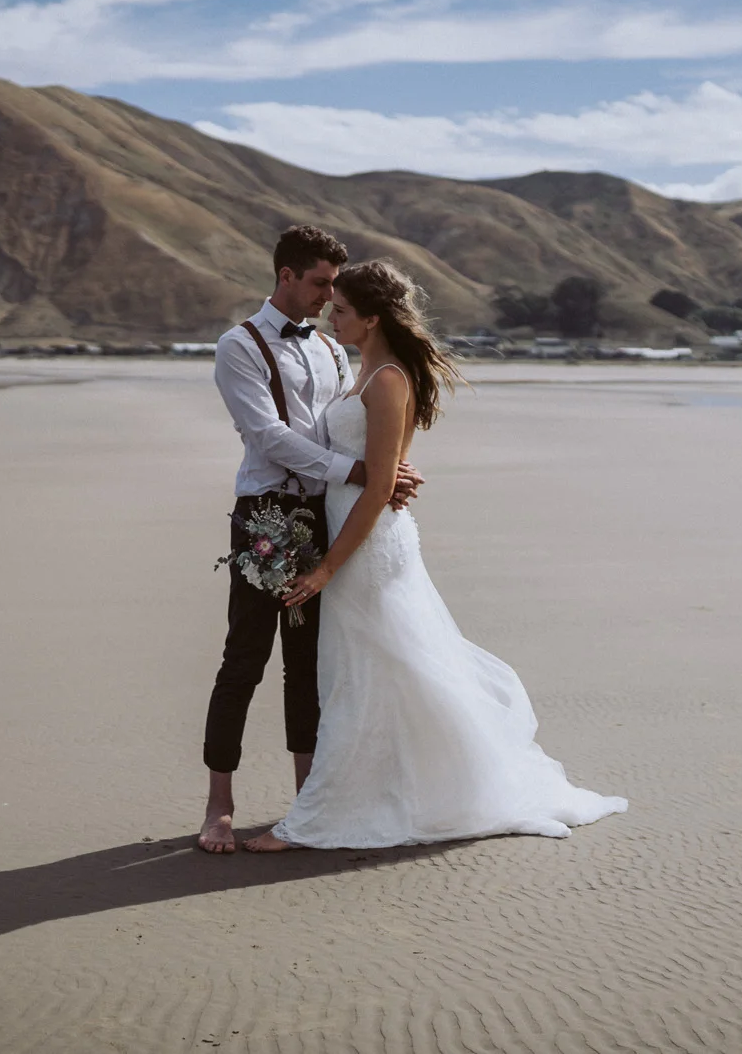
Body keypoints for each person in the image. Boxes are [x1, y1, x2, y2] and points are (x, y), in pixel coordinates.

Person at [244, 259, 626, 851]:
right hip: (358, 532)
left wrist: (326, 567)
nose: (330, 316)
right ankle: (386, 794)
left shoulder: (389, 378)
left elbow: (376, 487)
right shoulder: (365, 366)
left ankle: (320, 819)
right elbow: (382, 469)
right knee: (375, 673)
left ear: (371, 319)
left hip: (368, 545)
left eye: (341, 311)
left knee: (363, 678)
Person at [200, 226, 424, 854]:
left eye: (335, 286)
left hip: (324, 515)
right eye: (321, 282)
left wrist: (387, 473)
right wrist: (361, 474)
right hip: (264, 514)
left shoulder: (331, 349)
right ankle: (219, 806)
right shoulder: (236, 346)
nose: (329, 297)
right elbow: (267, 435)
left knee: (308, 669)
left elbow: (347, 430)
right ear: (286, 276)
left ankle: (305, 807)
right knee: (243, 659)